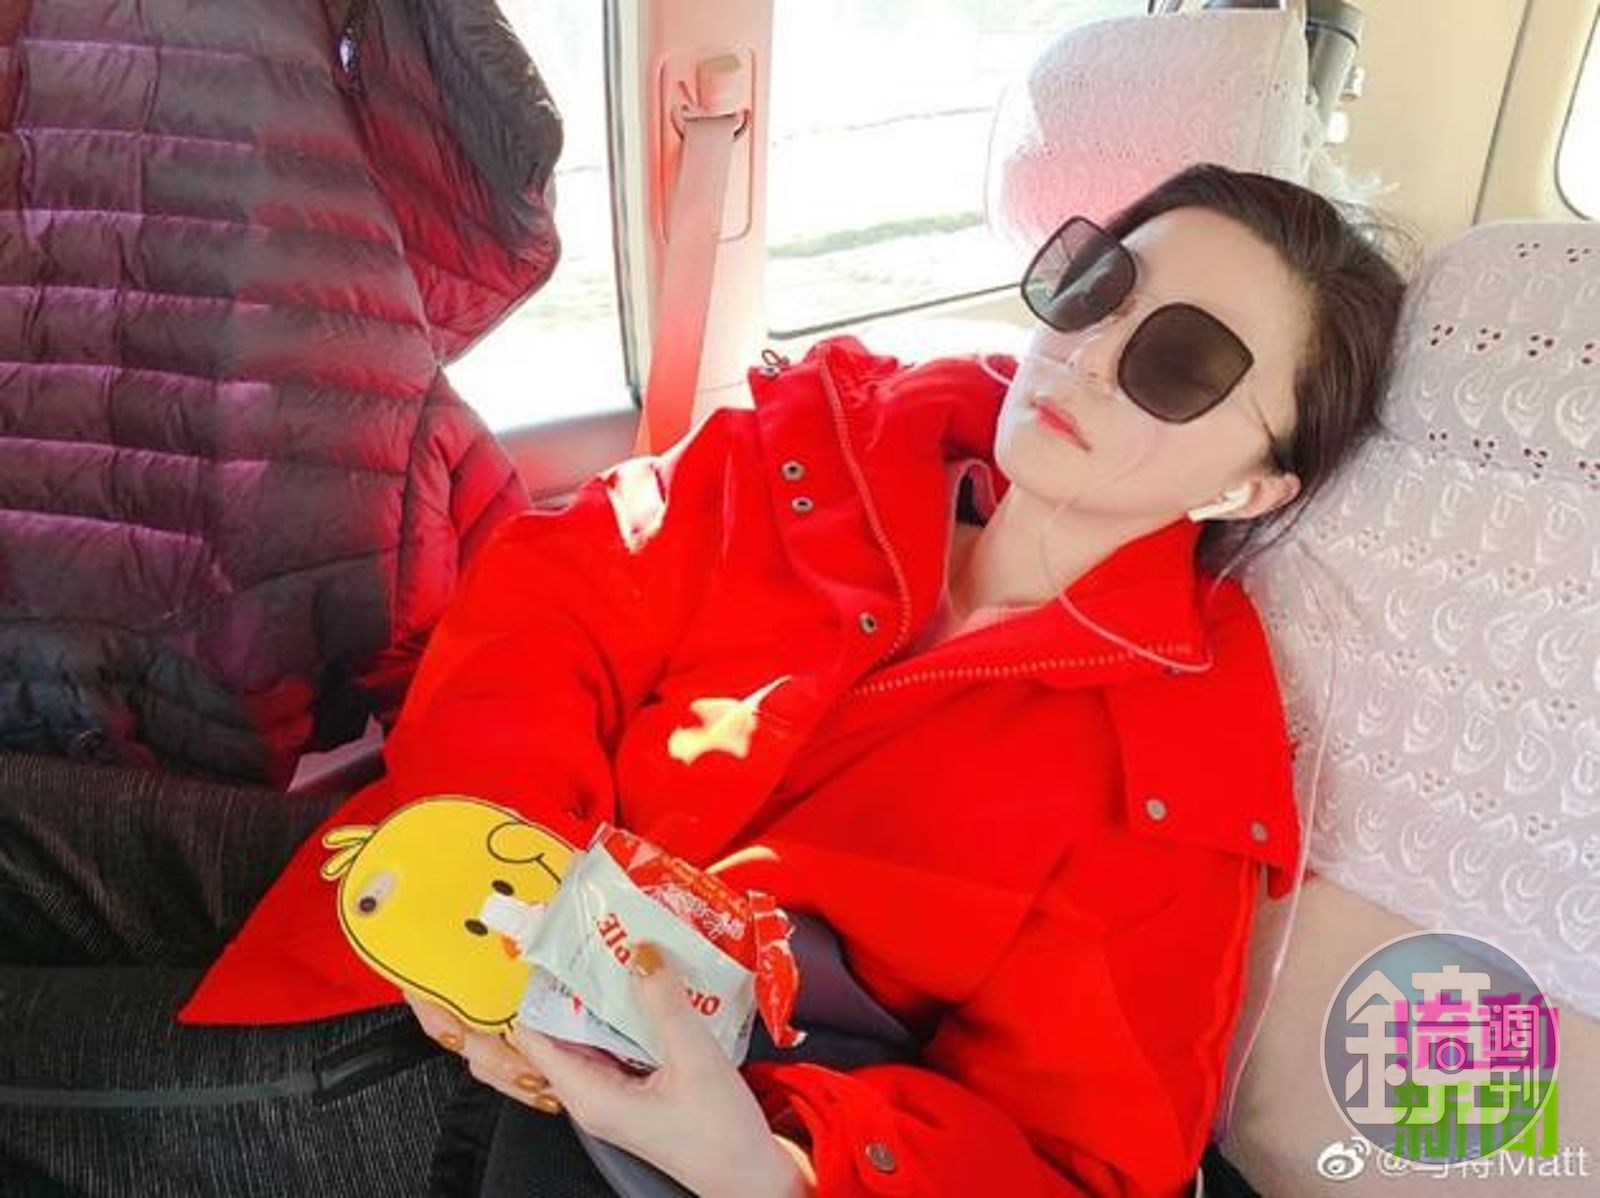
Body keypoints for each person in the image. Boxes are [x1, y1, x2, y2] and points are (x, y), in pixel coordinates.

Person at [0, 162, 1410, 1197]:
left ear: (1251, 481)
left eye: (1184, 362)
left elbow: (1077, 1162)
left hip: (543, 1111)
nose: (1089, 354)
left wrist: (770, 1158)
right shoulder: (836, 439)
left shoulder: (1169, 780)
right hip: (428, 869)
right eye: (1095, 285)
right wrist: (495, 847)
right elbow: (553, 601)